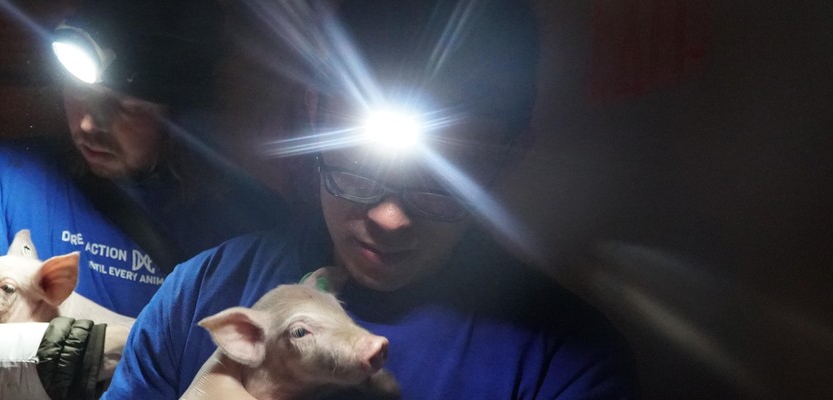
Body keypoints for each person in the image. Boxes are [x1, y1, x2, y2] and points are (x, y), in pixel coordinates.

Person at [103, 0, 640, 399]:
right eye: (357, 168)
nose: (388, 217)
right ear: (314, 117)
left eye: (442, 180)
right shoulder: (199, 293)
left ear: (508, 156)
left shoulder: (565, 369)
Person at [0, 0, 286, 399]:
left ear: (183, 118)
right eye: (78, 89)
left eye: (129, 107)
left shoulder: (255, 228)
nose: (90, 123)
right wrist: (96, 351)